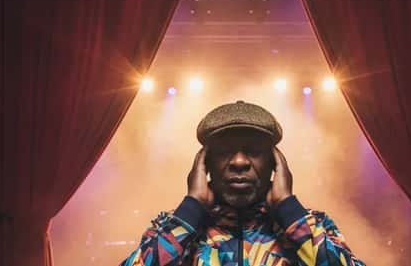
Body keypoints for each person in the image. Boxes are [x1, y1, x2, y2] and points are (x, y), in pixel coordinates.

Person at [120, 101, 366, 266]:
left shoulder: (314, 225)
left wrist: (290, 212)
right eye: (224, 151)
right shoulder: (171, 226)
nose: (239, 161)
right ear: (204, 164)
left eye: (254, 150)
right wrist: (191, 209)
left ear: (275, 163)